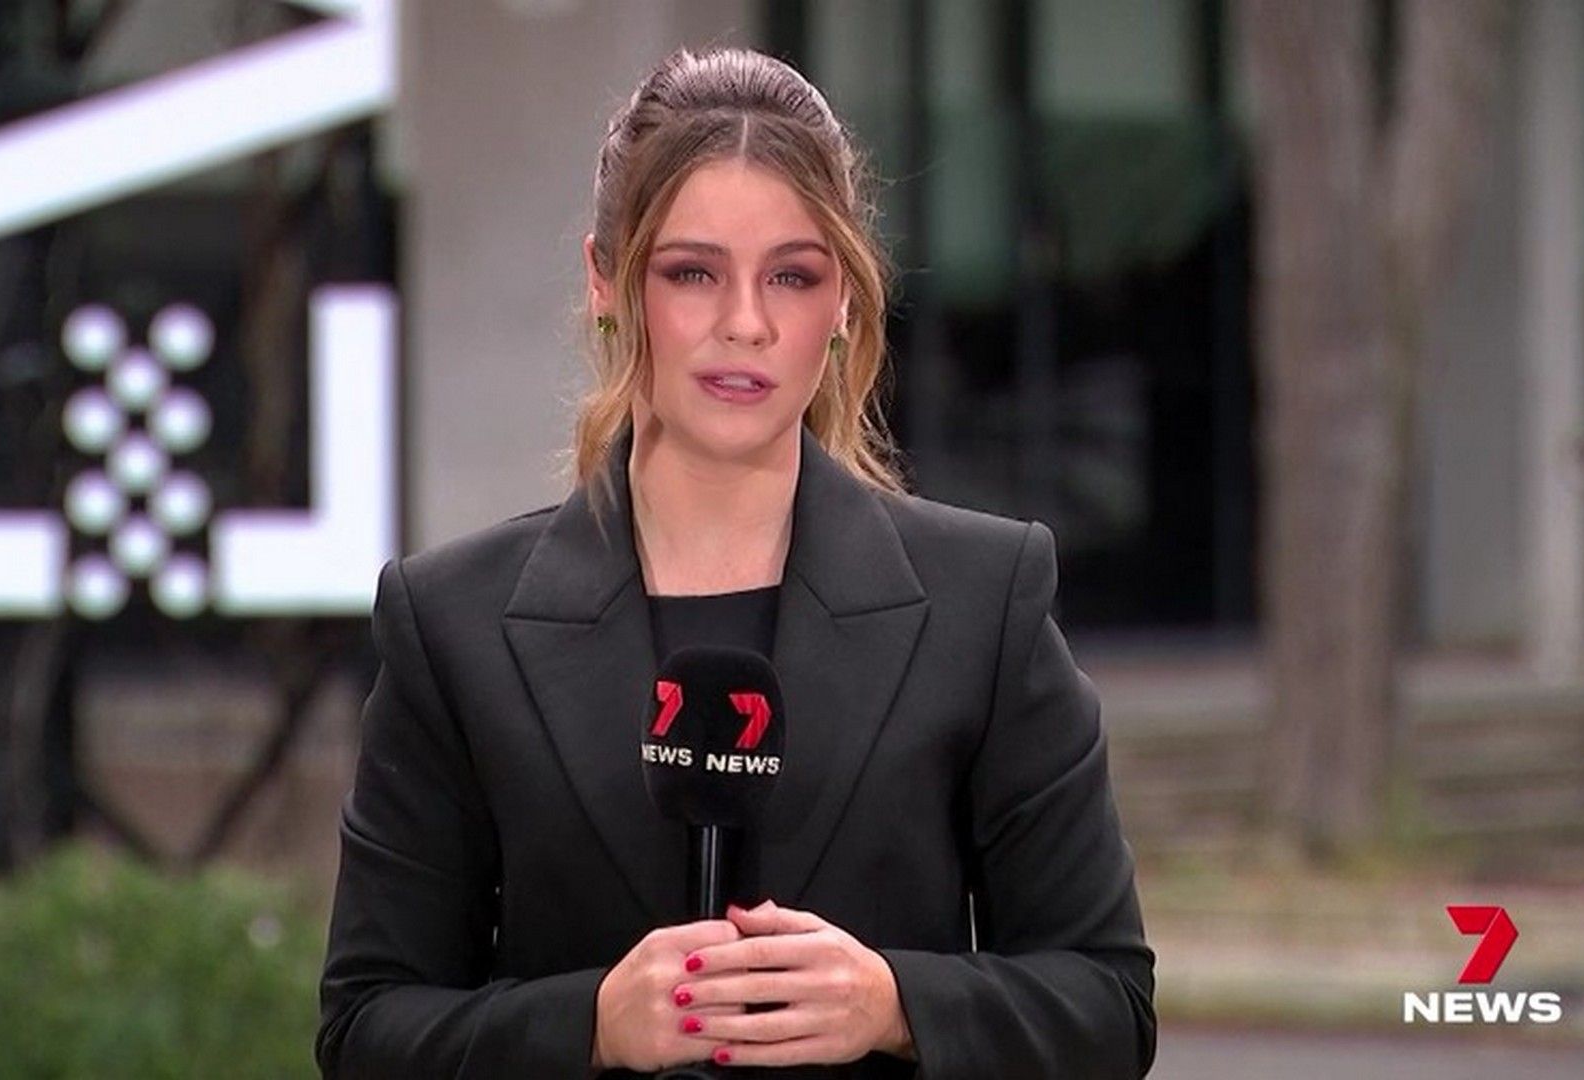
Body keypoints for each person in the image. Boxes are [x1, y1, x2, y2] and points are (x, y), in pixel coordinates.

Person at [316, 46, 1156, 1079]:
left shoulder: (984, 604)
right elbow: (367, 1030)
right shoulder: (453, 624)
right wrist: (589, 1026)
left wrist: (894, 1005)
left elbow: (1107, 1005)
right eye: (693, 273)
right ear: (607, 281)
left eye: (791, 276)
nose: (745, 325)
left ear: (843, 301)